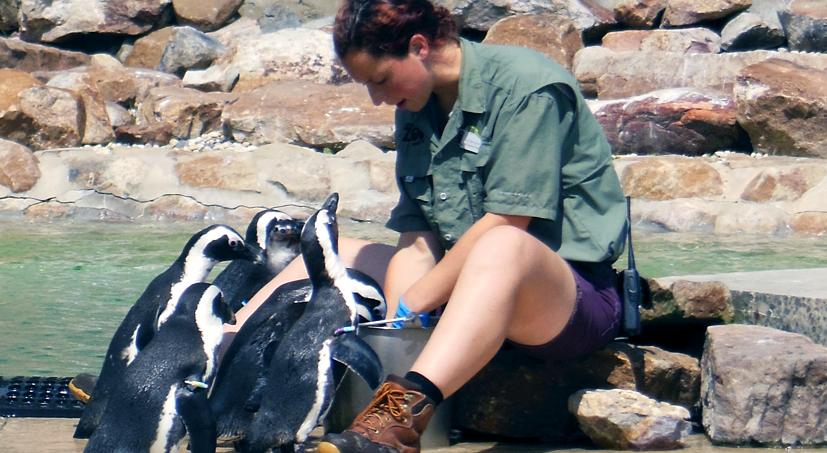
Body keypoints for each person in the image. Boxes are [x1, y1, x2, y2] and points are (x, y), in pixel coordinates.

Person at [226, 0, 630, 452]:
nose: (376, 98)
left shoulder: (527, 87)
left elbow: (509, 221)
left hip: (565, 298)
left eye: (379, 80)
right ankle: (212, 368)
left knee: (501, 245)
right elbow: (418, 238)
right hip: (464, 286)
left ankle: (394, 422)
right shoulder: (416, 102)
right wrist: (400, 327)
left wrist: (418, 300)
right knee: (326, 254)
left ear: (419, 47)